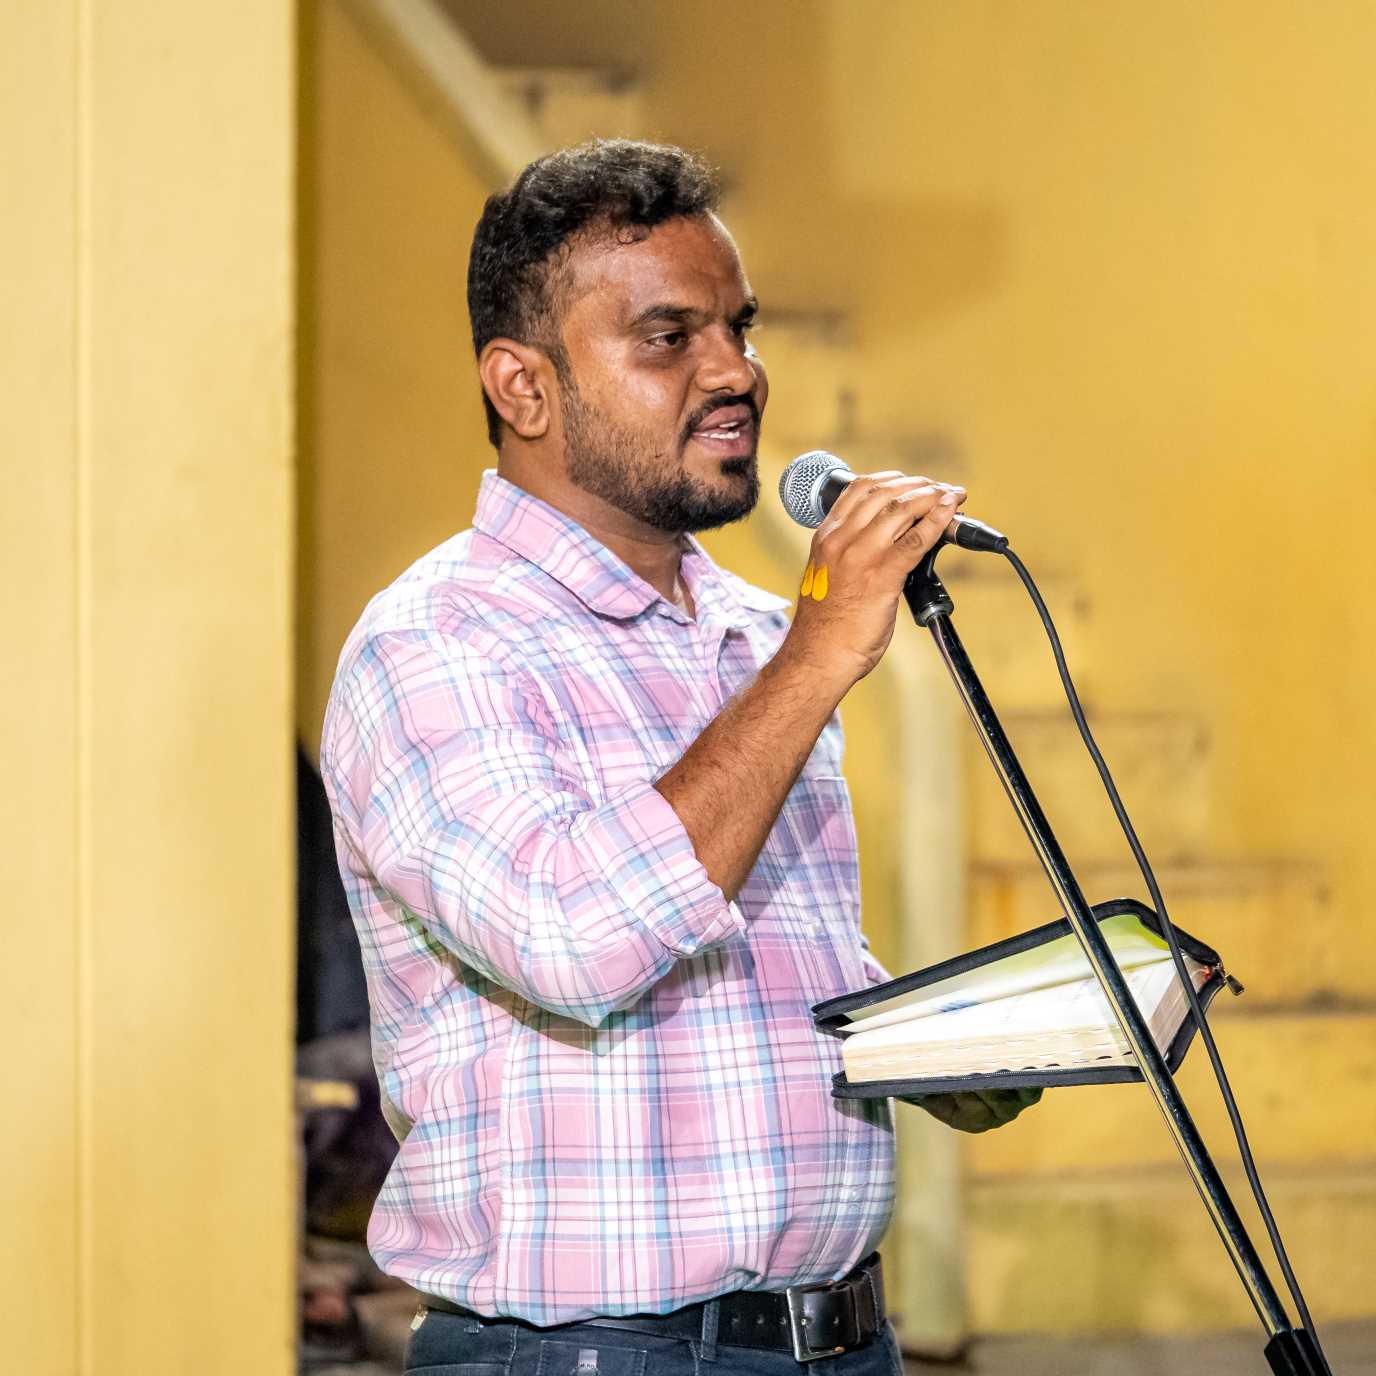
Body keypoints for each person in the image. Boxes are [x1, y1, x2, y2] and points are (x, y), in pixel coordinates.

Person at [320, 139, 1039, 1374]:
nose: (735, 372)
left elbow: (755, 964)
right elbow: (573, 938)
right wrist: (819, 652)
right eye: (667, 338)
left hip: (840, 1339)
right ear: (522, 386)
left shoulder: (755, 633)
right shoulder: (433, 642)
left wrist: (938, 1046)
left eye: (737, 328)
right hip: (590, 1353)